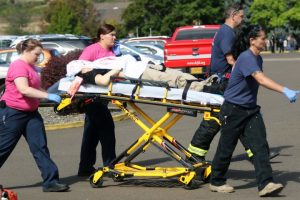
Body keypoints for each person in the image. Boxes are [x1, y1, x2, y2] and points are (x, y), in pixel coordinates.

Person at [209, 25, 299, 197]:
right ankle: (216, 181)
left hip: (249, 109)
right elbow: (261, 79)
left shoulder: (257, 58)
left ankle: (266, 184)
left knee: (260, 145)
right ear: (252, 40)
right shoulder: (246, 58)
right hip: (233, 109)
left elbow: (253, 85)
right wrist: (284, 90)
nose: (265, 41)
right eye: (263, 38)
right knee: (226, 147)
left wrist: (253, 105)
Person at [187, 3, 278, 162]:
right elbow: (231, 60)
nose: (243, 19)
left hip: (222, 81)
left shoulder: (225, 31)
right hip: (222, 83)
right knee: (217, 120)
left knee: (234, 117)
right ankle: (194, 156)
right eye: (241, 16)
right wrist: (246, 73)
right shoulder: (227, 33)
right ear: (233, 15)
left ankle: (257, 152)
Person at [0, 39, 69, 192]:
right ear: (26, 51)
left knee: (40, 147)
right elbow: (24, 89)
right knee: (3, 148)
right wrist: (48, 96)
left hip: (31, 113)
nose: (38, 57)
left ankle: (51, 182)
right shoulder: (18, 66)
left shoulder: (31, 67)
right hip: (13, 113)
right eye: (36, 54)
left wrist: (56, 90)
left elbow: (35, 89)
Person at [76, 23, 119, 176]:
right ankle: (110, 165)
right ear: (102, 35)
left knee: (92, 133)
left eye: (115, 35)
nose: (114, 37)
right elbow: (80, 67)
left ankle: (85, 167)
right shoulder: (92, 49)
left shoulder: (111, 51)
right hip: (92, 97)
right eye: (112, 35)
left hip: (102, 96)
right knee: (107, 130)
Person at [66, 54, 217, 92]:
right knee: (173, 79)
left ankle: (207, 82)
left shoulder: (94, 66)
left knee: (175, 73)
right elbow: (104, 81)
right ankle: (204, 88)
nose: (84, 64)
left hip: (141, 67)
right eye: (81, 65)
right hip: (137, 74)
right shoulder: (89, 74)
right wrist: (118, 66)